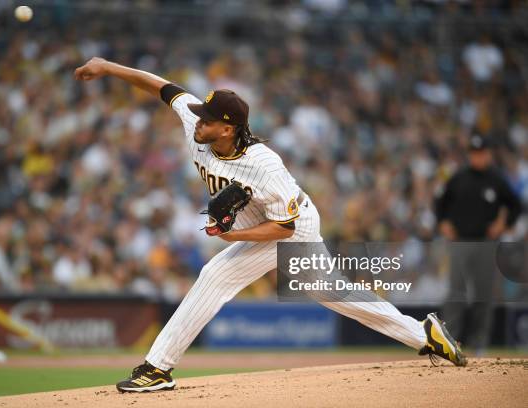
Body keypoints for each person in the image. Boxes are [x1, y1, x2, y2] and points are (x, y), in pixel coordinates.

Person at [74, 57, 467, 393]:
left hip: (292, 228)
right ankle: (423, 334)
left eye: (207, 121)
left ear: (227, 129)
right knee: (333, 293)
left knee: (216, 274)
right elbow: (164, 88)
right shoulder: (199, 127)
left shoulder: (264, 166)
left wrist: (232, 235)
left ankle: (157, 367)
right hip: (277, 223)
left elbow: (286, 228)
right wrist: (107, 68)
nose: (197, 122)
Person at [436, 134, 522, 354]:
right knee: (456, 292)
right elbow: (440, 203)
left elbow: (516, 205)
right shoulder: (459, 178)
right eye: (474, 153)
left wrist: (504, 223)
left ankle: (479, 343)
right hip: (460, 242)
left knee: (483, 294)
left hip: (486, 243)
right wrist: (443, 222)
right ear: (470, 155)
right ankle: (450, 340)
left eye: (481, 153)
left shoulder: (496, 179)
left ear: (488, 154)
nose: (478, 157)